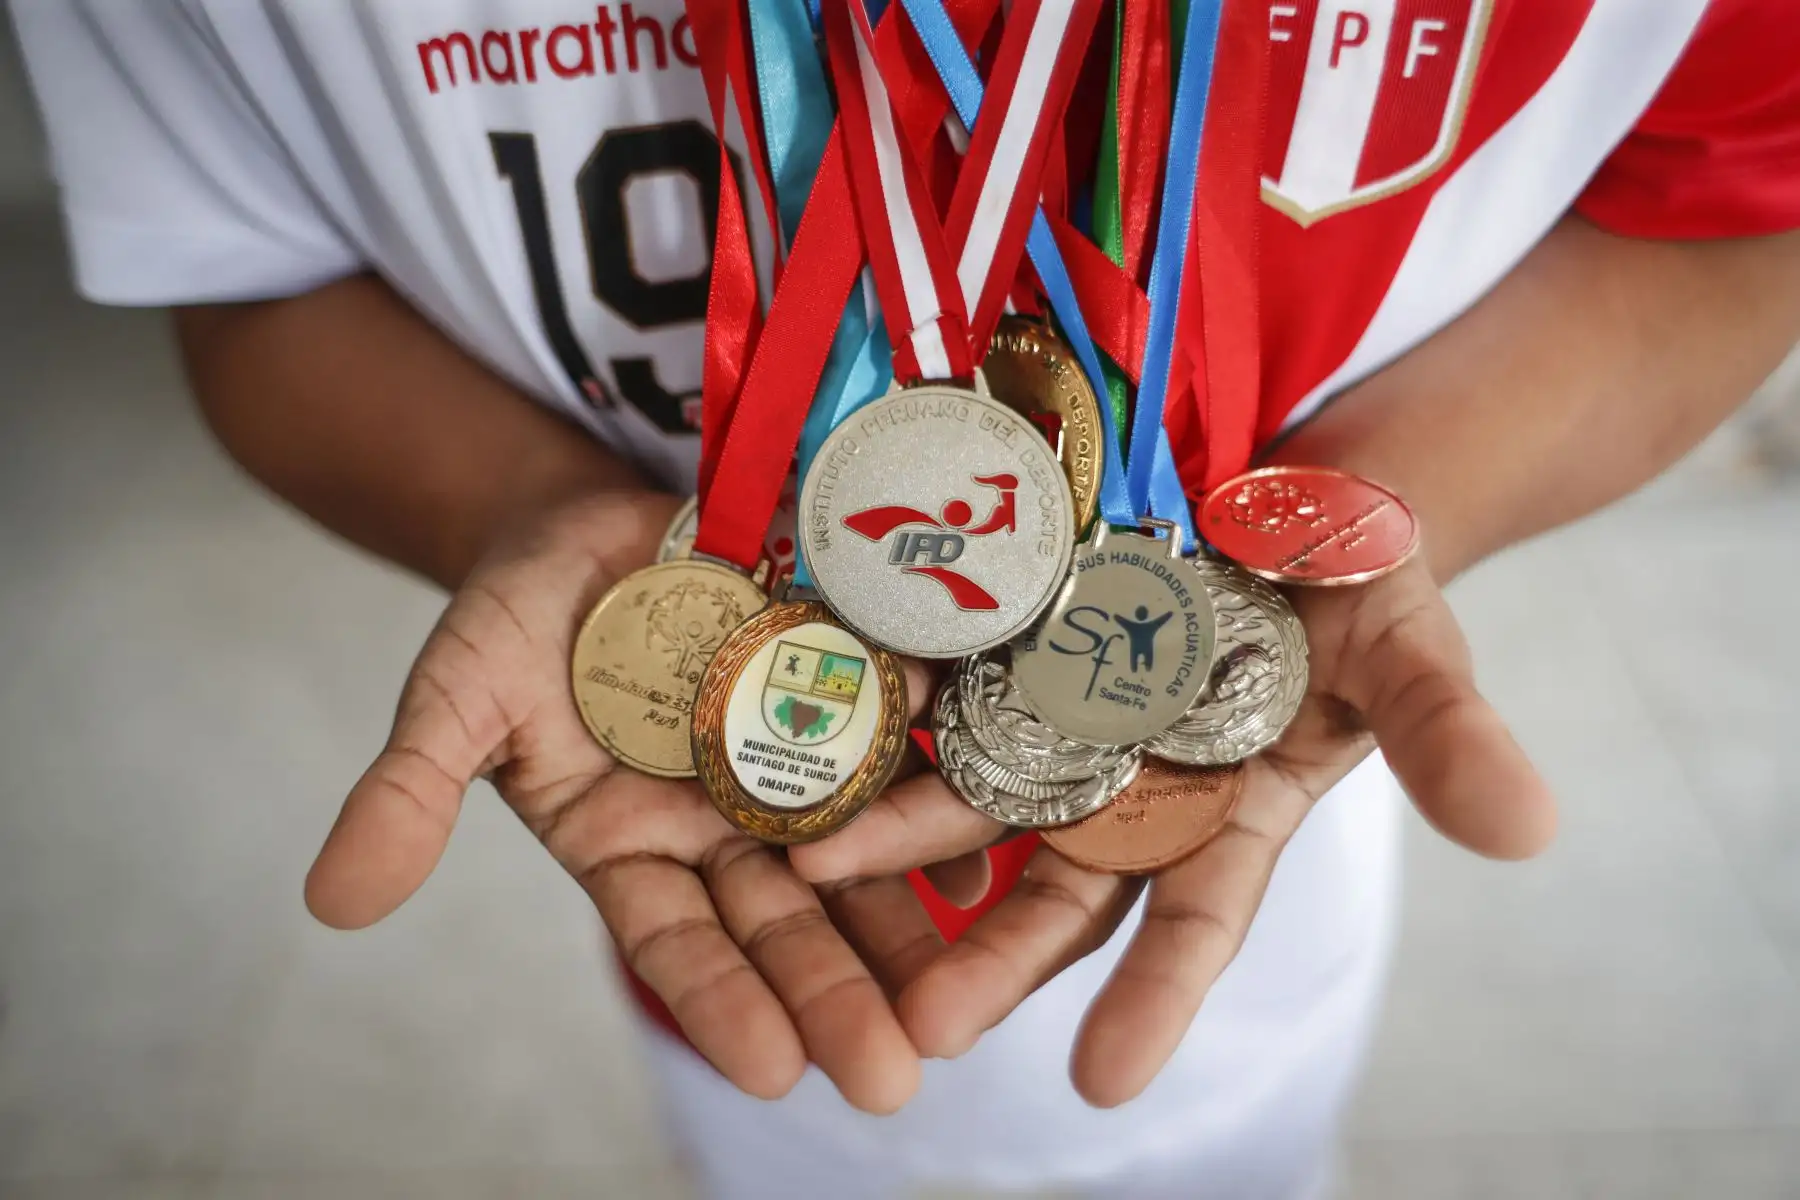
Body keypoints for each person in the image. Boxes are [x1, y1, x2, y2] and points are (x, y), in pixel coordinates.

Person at [12, 2, 1800, 1196]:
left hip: (1249, 863)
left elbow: (1741, 192)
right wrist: (517, 504)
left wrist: (1404, 502)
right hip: (703, 835)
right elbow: (244, 263)